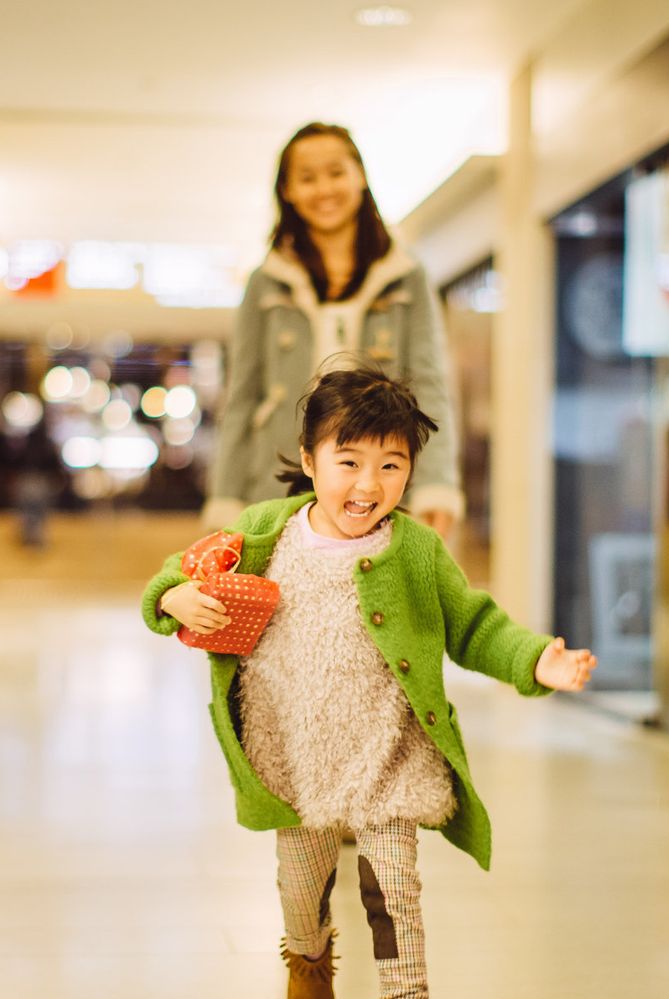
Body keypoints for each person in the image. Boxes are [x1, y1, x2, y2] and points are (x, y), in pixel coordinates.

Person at [143, 365, 596, 998]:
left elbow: (473, 626)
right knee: (301, 894)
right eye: (348, 462)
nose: (368, 484)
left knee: (397, 898)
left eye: (391, 465)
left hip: (388, 760)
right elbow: (171, 576)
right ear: (309, 459)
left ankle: (406, 992)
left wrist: (534, 660)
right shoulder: (263, 533)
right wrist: (178, 599)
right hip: (292, 762)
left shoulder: (415, 548)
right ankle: (308, 964)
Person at [205, 123, 463, 540]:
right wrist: (226, 497)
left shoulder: (405, 276)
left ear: (360, 176)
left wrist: (437, 484)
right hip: (279, 478)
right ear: (286, 190)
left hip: (377, 481)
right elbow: (242, 396)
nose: (324, 188)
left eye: (336, 172)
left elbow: (430, 385)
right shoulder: (266, 281)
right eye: (307, 178)